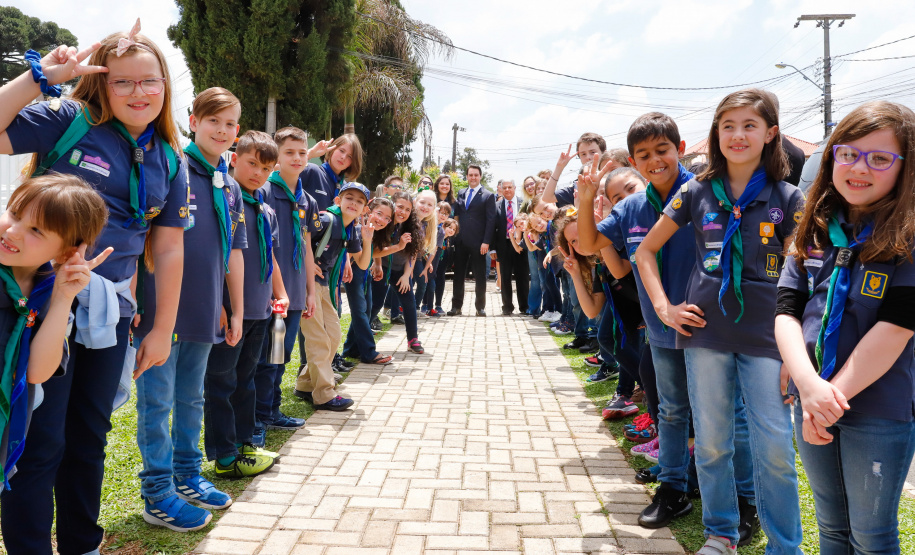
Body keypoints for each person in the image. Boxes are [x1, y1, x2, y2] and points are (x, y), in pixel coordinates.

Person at [0, 24, 189, 552]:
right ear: (102, 87)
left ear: (164, 87)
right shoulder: (67, 120)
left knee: (89, 436)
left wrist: (161, 326)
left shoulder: (170, 156)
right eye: (122, 82)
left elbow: (169, 247)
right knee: (41, 440)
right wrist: (41, 78)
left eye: (148, 82)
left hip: (112, 310)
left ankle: (82, 542)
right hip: (43, 300)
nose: (138, 93)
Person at [636, 90, 803, 554]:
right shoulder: (695, 192)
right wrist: (667, 309)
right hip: (704, 335)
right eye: (727, 125)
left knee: (774, 448)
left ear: (770, 133)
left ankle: (785, 547)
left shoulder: (789, 199)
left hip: (769, 339)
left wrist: (800, 350)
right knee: (711, 443)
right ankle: (721, 534)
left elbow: (806, 275)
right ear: (716, 133)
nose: (737, 135)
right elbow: (645, 252)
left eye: (749, 125)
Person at [776, 101, 915, 554]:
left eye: (880, 158)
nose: (860, 168)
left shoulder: (907, 239)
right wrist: (807, 386)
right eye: (848, 153)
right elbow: (786, 311)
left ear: (904, 168)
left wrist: (824, 399)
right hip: (811, 395)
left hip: (878, 406)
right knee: (832, 527)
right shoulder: (813, 229)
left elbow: (895, 329)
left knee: (872, 536)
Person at [131, 87, 248, 532]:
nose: (222, 129)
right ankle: (158, 492)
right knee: (157, 402)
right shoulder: (170, 166)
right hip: (161, 308)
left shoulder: (230, 184)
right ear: (192, 120)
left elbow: (234, 251)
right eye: (213, 119)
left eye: (230, 123)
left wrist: (233, 309)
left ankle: (187, 476)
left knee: (191, 397)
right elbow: (141, 235)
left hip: (202, 310)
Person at [578, 112, 700, 531]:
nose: (654, 160)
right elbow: (591, 242)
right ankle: (673, 490)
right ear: (633, 158)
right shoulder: (631, 208)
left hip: (709, 329)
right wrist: (585, 197)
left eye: (662, 150)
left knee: (721, 415)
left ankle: (735, 495)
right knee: (670, 411)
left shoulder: (704, 193)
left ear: (679, 150)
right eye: (644, 154)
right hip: (662, 329)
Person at [0, 175, 108, 487]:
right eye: (15, 214)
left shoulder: (45, 292)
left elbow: (37, 372)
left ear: (64, 253)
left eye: (35, 230)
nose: (13, 231)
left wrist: (63, 297)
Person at [204, 130, 287, 477]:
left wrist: (279, 294)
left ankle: (244, 443)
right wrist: (220, 304)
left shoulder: (266, 210)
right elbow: (220, 254)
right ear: (235, 158)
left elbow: (272, 257)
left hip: (259, 312)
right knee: (221, 382)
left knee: (247, 380)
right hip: (229, 311)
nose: (258, 173)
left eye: (266, 169)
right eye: (252, 163)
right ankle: (224, 456)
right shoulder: (224, 198)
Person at [253, 126, 321, 438]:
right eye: (289, 152)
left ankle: (270, 410)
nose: (297, 157)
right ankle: (258, 415)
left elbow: (307, 247)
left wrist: (310, 291)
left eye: (302, 152)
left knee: (281, 355)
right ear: (277, 156)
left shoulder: (306, 199)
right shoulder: (265, 191)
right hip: (268, 292)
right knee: (266, 356)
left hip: (294, 292)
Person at [294, 183, 372, 409]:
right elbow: (300, 237)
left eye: (359, 201)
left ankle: (305, 383)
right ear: (338, 201)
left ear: (364, 209)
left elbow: (363, 263)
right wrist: (308, 265)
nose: (353, 203)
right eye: (349, 198)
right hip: (307, 284)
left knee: (333, 336)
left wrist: (367, 240)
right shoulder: (328, 220)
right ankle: (324, 394)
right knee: (318, 338)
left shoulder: (351, 229)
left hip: (324, 285)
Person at [342, 197, 395, 364]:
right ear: (368, 211)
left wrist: (378, 263)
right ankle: (369, 352)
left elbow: (371, 252)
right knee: (360, 311)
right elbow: (349, 248)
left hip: (363, 274)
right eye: (379, 214)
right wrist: (346, 263)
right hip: (353, 273)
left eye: (387, 218)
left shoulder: (372, 231)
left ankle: (351, 348)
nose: (382, 220)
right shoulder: (359, 228)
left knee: (367, 308)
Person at [381, 191, 426, 352]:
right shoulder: (384, 223)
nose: (403, 212)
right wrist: (377, 264)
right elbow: (376, 248)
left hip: (400, 270)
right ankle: (359, 342)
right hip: (383, 268)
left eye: (408, 209)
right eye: (400, 207)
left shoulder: (412, 227)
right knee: (374, 305)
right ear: (392, 205)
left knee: (409, 302)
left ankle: (413, 339)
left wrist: (407, 275)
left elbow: (412, 255)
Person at [449, 165, 495, 316]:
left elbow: (490, 220)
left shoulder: (488, 196)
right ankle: (456, 307)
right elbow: (457, 216)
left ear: (480, 176)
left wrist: (486, 241)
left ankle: (480, 307)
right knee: (458, 275)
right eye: (470, 175)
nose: (473, 177)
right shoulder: (461, 193)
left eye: (476, 175)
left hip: (479, 242)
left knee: (480, 276)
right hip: (461, 241)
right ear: (467, 176)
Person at [492, 179, 528, 315]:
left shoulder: (523, 204)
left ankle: (524, 307)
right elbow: (493, 228)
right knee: (505, 277)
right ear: (501, 189)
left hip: (521, 245)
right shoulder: (496, 206)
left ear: (514, 187)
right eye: (504, 187)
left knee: (522, 277)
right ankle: (507, 307)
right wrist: (493, 248)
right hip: (504, 245)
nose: (507, 190)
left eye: (509, 187)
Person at [300, 134, 363, 208]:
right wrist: (308, 154)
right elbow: (284, 175)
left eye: (349, 156)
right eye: (341, 151)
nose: (343, 157)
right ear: (333, 149)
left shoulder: (346, 189)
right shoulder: (311, 171)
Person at [412, 190, 440, 318]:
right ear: (415, 202)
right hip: (405, 259)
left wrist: (427, 263)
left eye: (430, 205)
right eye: (422, 202)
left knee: (422, 283)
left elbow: (425, 248)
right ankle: (391, 308)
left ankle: (415, 308)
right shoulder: (410, 221)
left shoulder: (426, 224)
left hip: (416, 259)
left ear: (434, 208)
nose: (425, 207)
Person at [422, 201, 453, 317]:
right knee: (422, 281)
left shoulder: (440, 230)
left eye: (446, 214)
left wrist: (429, 263)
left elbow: (434, 250)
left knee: (430, 279)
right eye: (441, 212)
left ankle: (429, 307)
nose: (443, 216)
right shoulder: (429, 224)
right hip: (422, 255)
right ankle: (422, 306)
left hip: (431, 257)